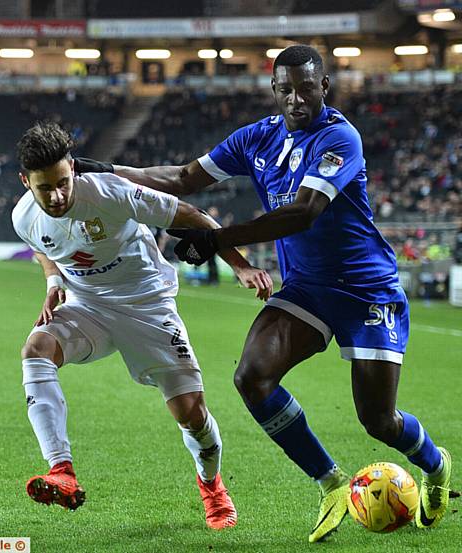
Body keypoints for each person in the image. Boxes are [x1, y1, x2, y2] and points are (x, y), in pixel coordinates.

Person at [74, 45, 452, 543]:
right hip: (309, 291)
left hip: (366, 291)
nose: (296, 98)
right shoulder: (258, 139)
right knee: (251, 377)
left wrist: (217, 239)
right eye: (286, 89)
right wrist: (107, 171)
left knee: (378, 420)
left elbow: (304, 212)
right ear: (274, 90)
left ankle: (435, 464)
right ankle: (330, 482)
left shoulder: (340, 137)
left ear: (324, 87)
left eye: (306, 87)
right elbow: (185, 178)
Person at [12, 122, 273, 529]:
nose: (58, 195)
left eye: (64, 182)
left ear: (73, 172)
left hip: (148, 306)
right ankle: (61, 469)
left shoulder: (109, 193)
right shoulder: (23, 216)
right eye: (46, 188)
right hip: (89, 307)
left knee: (192, 414)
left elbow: (193, 215)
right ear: (26, 182)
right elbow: (43, 247)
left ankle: (211, 484)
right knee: (35, 350)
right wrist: (53, 282)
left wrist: (240, 266)